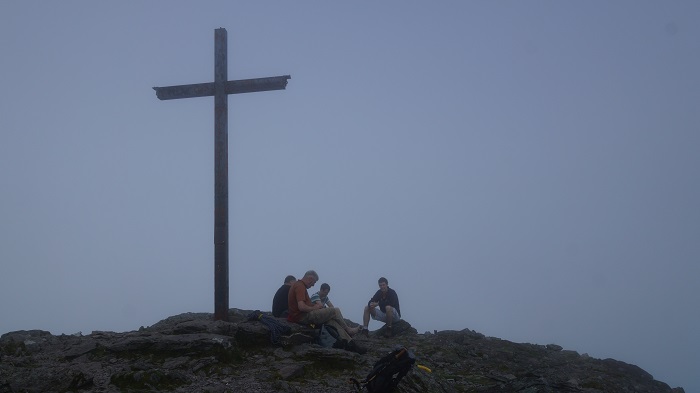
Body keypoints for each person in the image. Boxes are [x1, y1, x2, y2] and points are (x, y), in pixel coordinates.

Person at [288, 270, 364, 353]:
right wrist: (315, 307)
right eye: (314, 282)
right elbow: (302, 307)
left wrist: (314, 307)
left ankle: (350, 343)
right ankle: (348, 329)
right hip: (303, 316)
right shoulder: (300, 286)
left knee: (331, 321)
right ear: (310, 278)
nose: (313, 285)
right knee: (335, 310)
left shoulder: (300, 286)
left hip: (303, 315)